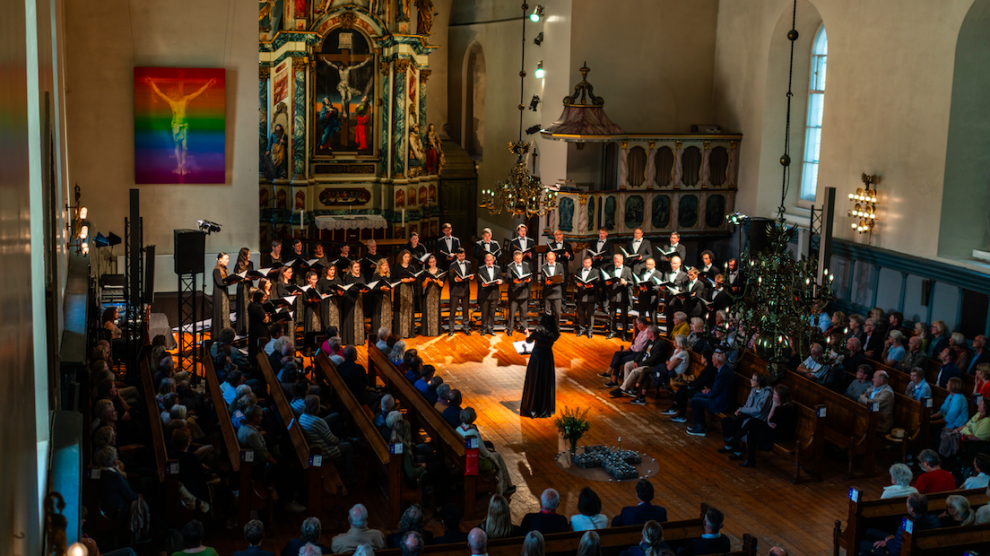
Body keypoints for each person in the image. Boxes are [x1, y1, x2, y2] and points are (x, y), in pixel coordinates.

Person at [456, 407, 515, 495]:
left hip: (462, 459)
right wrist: (491, 454)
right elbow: (484, 453)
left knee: (495, 455)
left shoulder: (458, 429)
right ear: (473, 418)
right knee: (497, 457)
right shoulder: (474, 433)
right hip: (475, 463)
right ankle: (502, 489)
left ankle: (506, 486)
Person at [858, 493, 940, 556]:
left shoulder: (906, 528)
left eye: (907, 503)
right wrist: (893, 538)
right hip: (906, 543)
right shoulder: (935, 519)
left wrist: (888, 541)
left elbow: (895, 552)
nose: (906, 505)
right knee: (869, 531)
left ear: (912, 509)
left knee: (862, 544)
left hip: (900, 550)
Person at [520, 314, 561, 418]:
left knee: (534, 381)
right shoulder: (554, 333)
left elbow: (529, 340)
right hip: (547, 358)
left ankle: (532, 408)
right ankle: (544, 408)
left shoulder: (538, 331)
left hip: (537, 358)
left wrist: (527, 334)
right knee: (545, 381)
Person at [687, 351, 736, 437]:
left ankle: (701, 428)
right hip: (720, 397)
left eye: (713, 359)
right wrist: (709, 391)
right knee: (696, 395)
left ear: (717, 361)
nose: (712, 360)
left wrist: (708, 392)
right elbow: (718, 388)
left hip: (721, 402)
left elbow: (715, 392)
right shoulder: (725, 370)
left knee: (694, 401)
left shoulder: (723, 374)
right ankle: (700, 424)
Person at [663, 349, 717, 423]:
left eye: (702, 357)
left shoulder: (709, 369)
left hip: (703, 391)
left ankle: (677, 410)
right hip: (700, 388)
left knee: (684, 391)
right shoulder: (709, 368)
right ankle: (676, 410)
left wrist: (689, 383)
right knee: (683, 388)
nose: (701, 358)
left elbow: (700, 383)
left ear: (706, 358)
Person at [718, 372, 772, 445]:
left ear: (758, 382)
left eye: (753, 379)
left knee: (731, 426)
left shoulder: (767, 394)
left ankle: (735, 448)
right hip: (746, 415)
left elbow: (758, 410)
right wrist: (740, 411)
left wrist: (741, 410)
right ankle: (728, 446)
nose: (750, 380)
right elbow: (747, 405)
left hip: (755, 418)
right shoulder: (753, 390)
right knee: (724, 421)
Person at [604, 254, 635, 340]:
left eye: (618, 261)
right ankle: (612, 331)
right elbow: (606, 281)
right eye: (615, 261)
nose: (616, 263)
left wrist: (625, 282)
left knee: (623, 316)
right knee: (612, 315)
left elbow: (632, 283)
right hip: (613, 295)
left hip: (623, 295)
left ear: (622, 261)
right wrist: (607, 283)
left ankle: (624, 333)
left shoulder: (627, 269)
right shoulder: (610, 269)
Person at [506, 250, 533, 336]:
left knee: (524, 312)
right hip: (514, 292)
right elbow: (507, 278)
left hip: (524, 291)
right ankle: (510, 329)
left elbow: (529, 275)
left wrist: (529, 279)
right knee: (512, 312)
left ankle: (524, 328)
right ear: (514, 258)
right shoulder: (510, 266)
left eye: (520, 258)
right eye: (517, 259)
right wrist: (513, 281)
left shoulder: (526, 264)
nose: (518, 260)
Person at [340, 260, 367, 346]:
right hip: (350, 299)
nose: (357, 268)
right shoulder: (349, 276)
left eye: (358, 267)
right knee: (350, 319)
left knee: (359, 318)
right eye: (355, 267)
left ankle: (359, 339)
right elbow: (350, 288)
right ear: (351, 268)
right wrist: (359, 290)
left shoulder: (361, 275)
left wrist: (364, 289)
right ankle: (351, 340)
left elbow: (364, 284)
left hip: (359, 299)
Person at [476, 252, 502, 336]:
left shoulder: (498, 268)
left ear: (493, 260)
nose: (489, 262)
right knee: (484, 312)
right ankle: (484, 328)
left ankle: (490, 329)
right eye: (487, 260)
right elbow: (479, 280)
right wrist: (483, 284)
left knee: (492, 313)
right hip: (484, 294)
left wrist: (500, 281)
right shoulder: (481, 269)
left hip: (494, 293)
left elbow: (501, 278)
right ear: (485, 261)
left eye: (490, 260)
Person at [448, 248, 473, 336]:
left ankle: (466, 328)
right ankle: (451, 329)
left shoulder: (468, 263)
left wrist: (471, 277)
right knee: (453, 311)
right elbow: (450, 277)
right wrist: (455, 279)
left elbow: (470, 273)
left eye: (463, 255)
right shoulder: (452, 265)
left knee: (465, 310)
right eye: (460, 256)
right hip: (455, 290)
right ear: (456, 256)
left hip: (465, 290)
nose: (461, 257)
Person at [420, 255, 444, 337]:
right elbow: (423, 285)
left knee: (436, 312)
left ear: (436, 262)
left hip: (436, 294)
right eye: (431, 262)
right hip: (428, 294)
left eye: (434, 261)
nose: (432, 263)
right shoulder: (426, 272)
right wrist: (426, 281)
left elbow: (442, 284)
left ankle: (435, 331)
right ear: (428, 263)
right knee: (428, 312)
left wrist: (438, 281)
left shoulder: (440, 271)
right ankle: (428, 332)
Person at [574, 256, 598, 337]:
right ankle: (581, 329)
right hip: (581, 295)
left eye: (588, 263)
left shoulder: (595, 271)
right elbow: (575, 280)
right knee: (581, 314)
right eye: (585, 263)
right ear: (583, 262)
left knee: (590, 315)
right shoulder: (579, 270)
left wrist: (592, 286)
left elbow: (598, 283)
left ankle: (590, 331)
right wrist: (577, 283)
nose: (586, 264)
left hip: (590, 296)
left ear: (591, 263)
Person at [212, 252, 232, 337]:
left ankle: (227, 333)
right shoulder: (216, 270)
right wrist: (229, 282)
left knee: (225, 313)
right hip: (219, 294)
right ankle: (220, 334)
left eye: (228, 259)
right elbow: (219, 283)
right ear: (220, 259)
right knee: (220, 314)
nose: (228, 260)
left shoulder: (224, 269)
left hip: (224, 293)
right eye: (226, 259)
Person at [542, 251, 565, 321]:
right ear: (547, 258)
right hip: (547, 291)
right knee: (547, 313)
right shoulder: (543, 267)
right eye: (549, 259)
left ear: (555, 258)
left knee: (557, 312)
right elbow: (542, 278)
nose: (551, 261)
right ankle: (547, 327)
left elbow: (562, 278)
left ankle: (556, 327)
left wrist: (554, 280)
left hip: (557, 291)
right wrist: (545, 281)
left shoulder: (560, 266)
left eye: (552, 259)